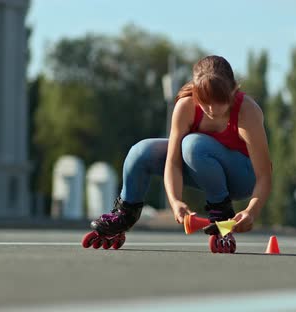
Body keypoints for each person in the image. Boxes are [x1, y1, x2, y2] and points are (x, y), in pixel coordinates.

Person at [88, 55, 272, 240]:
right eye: (205, 101)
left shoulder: (247, 110)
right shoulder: (186, 106)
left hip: (242, 177)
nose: (211, 110)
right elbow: (173, 161)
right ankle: (125, 214)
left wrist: (251, 211)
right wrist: (175, 201)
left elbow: (264, 174)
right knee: (141, 152)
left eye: (219, 101)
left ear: (233, 90)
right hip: (201, 164)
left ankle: (221, 213)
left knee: (193, 144)